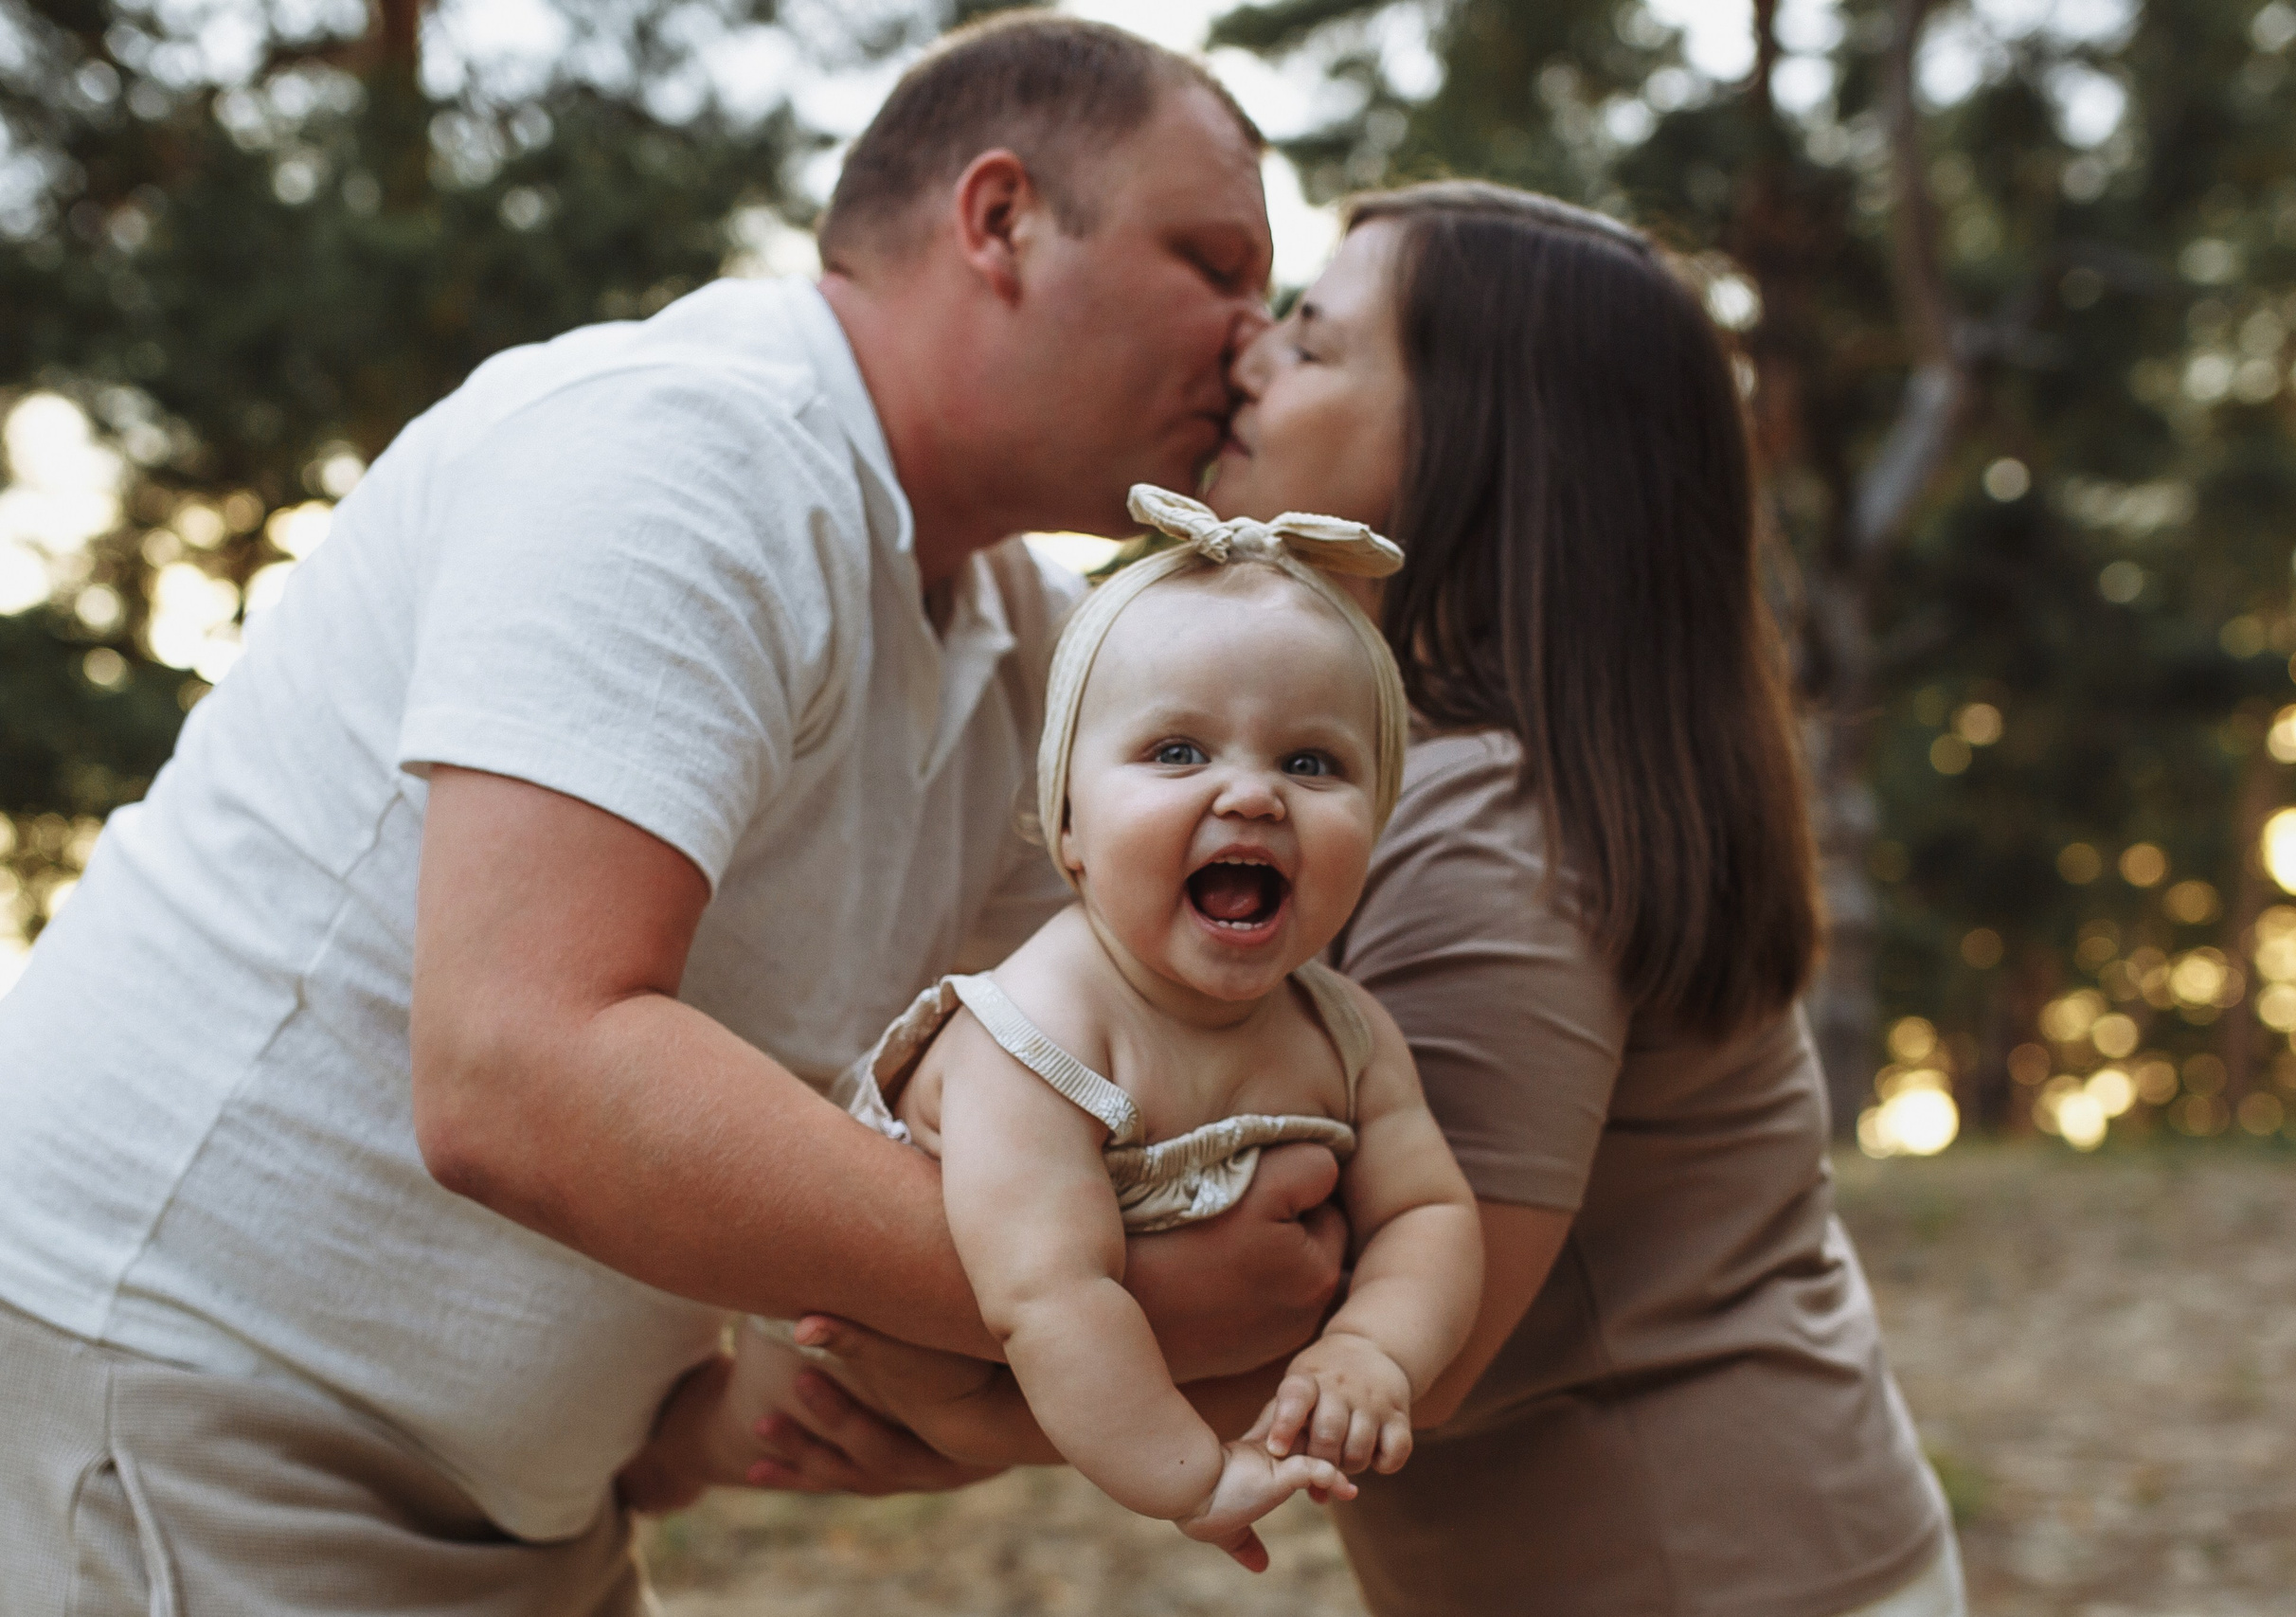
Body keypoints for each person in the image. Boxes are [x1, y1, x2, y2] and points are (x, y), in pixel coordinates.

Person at [0, 17, 1356, 1613]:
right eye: (1215, 265)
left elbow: (1137, 1078)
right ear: (1000, 220)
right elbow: (520, 1067)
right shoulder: (686, 450)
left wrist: (880, 1378)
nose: (1252, 346)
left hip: (521, 1498)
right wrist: (1083, 1298)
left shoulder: (1018, 643)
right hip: (182, 1414)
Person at [784, 182, 1966, 1617]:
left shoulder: (1481, 822)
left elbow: (1409, 1337)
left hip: (1684, 1567)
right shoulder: (1519, 772)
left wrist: (977, 1414)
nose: (1249, 358)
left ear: (1484, 448)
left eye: (1316, 343)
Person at [707, 486, 1481, 1571]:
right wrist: (1194, 1478)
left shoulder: (1346, 1035)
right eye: (1177, 753)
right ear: (1066, 825)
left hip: (1105, 1359)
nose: (1251, 795)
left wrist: (1371, 1350)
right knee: (936, 1395)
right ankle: (659, 1451)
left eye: (1312, 763)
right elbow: (1047, 1294)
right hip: (916, 1359)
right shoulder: (1038, 1033)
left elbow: (1429, 1210)